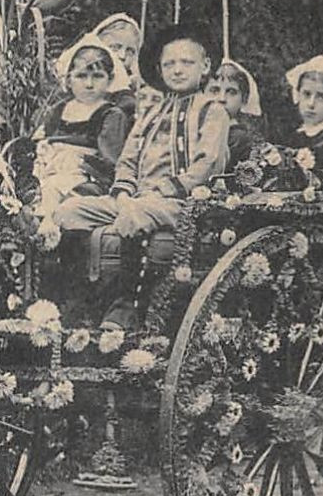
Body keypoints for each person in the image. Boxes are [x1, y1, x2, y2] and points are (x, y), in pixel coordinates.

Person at [52, 23, 232, 327]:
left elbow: (207, 164)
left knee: (136, 214)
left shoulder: (211, 111)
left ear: (205, 67)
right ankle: (78, 300)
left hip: (181, 203)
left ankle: (126, 304)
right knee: (68, 212)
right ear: (160, 70)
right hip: (136, 197)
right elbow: (128, 158)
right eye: (169, 64)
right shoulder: (150, 113)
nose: (177, 70)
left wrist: (165, 189)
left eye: (186, 63)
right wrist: (122, 191)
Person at [30, 34, 131, 217]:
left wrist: (75, 159)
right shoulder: (58, 109)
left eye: (98, 76)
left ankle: (49, 226)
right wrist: (43, 148)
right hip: (47, 171)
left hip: (87, 179)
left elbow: (110, 163)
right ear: (68, 80)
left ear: (110, 79)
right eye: (81, 76)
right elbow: (42, 138)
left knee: (55, 193)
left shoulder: (111, 114)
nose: (89, 84)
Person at [207, 58, 267, 164]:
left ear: (244, 100)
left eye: (231, 92)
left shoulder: (240, 139)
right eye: (215, 90)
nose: (221, 98)